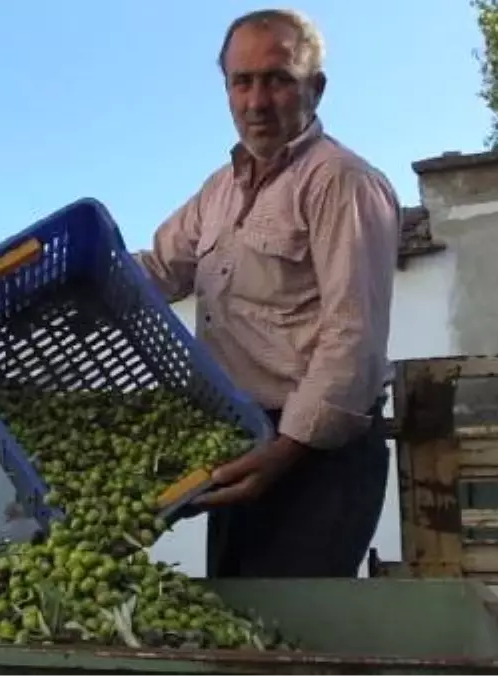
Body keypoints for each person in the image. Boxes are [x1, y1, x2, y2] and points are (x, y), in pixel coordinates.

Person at [135, 9, 398, 579]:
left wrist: (285, 451)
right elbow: (158, 268)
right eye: (242, 81)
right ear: (226, 89)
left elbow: (352, 340)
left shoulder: (342, 182)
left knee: (289, 639)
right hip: (240, 441)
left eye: (277, 79)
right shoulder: (219, 189)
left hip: (313, 458)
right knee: (239, 624)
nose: (257, 101)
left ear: (316, 88)